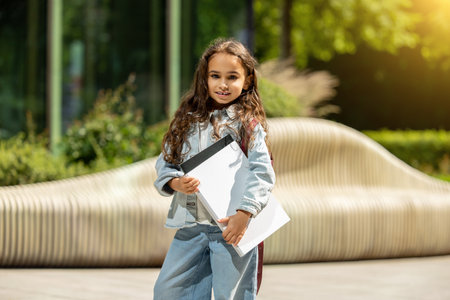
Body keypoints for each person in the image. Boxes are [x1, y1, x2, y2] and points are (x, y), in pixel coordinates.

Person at [153, 38, 275, 300]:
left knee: (230, 295)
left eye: (232, 76)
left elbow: (263, 171)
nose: (223, 84)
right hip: (192, 225)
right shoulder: (188, 120)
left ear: (247, 81)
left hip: (232, 228)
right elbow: (165, 160)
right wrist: (174, 182)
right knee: (169, 290)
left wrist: (244, 213)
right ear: (204, 78)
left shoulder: (248, 125)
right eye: (215, 76)